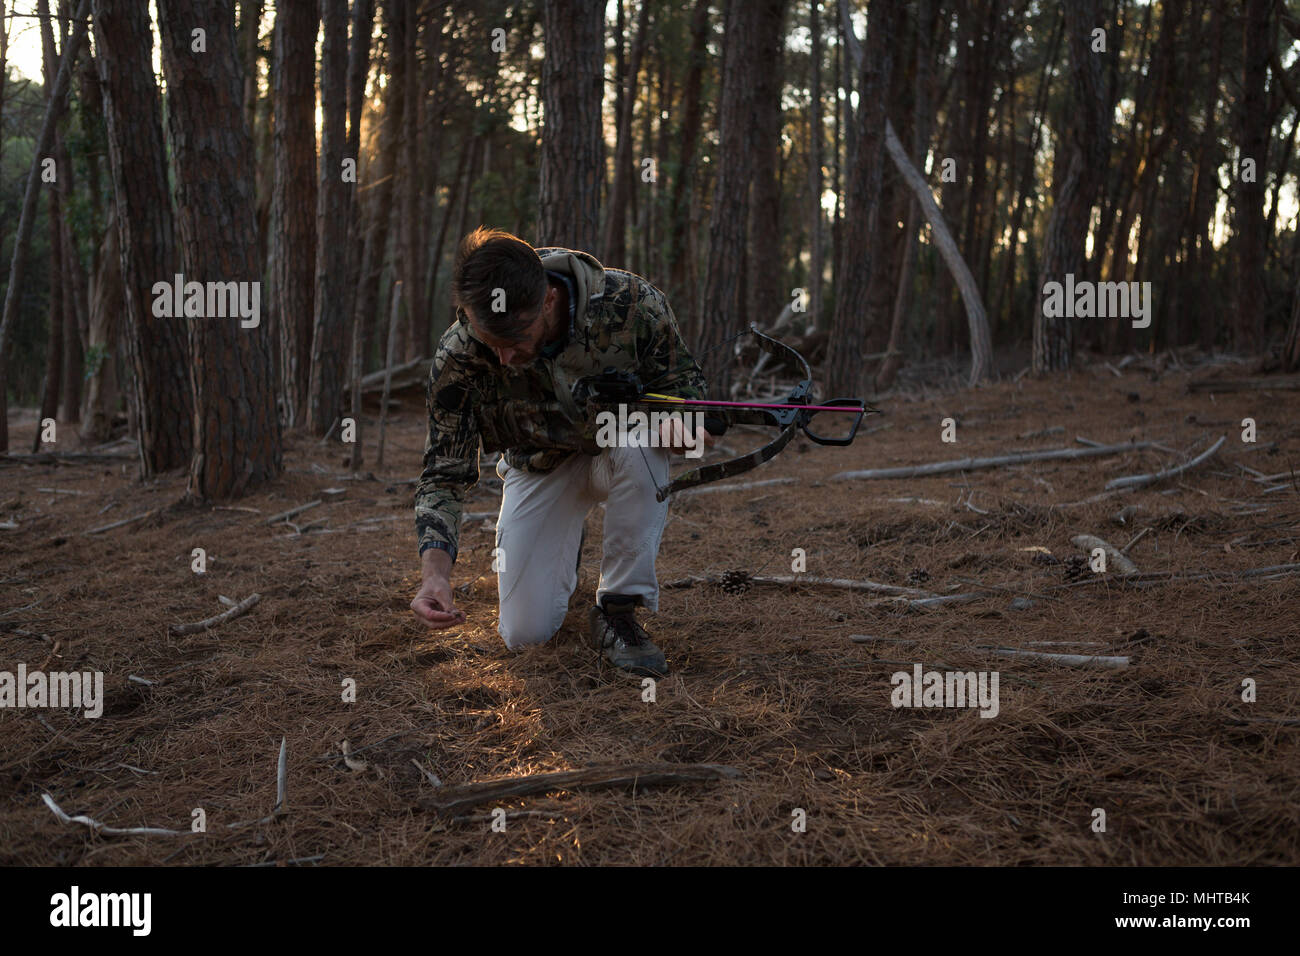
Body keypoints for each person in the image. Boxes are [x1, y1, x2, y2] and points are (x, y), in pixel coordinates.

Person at [410, 227, 723, 676]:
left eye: (514, 342)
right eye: (489, 342)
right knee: (524, 635)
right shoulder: (458, 355)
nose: (503, 359)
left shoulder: (631, 304)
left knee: (640, 443)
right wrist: (435, 575)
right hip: (537, 468)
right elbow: (444, 470)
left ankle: (618, 609)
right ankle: (561, 549)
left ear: (549, 303)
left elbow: (690, 400)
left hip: (618, 455)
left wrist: (688, 430)